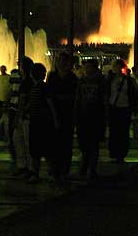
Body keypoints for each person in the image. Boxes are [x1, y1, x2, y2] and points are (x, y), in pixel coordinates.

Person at [46, 52, 78, 182]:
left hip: (67, 115)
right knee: (54, 144)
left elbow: (76, 97)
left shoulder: (72, 78)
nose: (62, 63)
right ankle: (55, 170)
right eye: (60, 61)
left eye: (64, 61)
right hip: (54, 114)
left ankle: (64, 170)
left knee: (66, 144)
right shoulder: (52, 77)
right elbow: (49, 97)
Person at [26, 63, 59, 183]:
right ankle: (42, 173)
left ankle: (47, 172)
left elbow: (50, 104)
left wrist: (55, 120)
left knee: (43, 148)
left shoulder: (43, 87)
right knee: (37, 148)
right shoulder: (36, 87)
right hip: (37, 120)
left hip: (42, 121)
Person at [75, 59, 107, 181]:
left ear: (95, 68)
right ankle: (86, 165)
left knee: (93, 143)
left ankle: (91, 169)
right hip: (83, 116)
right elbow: (78, 98)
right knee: (83, 143)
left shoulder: (101, 81)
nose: (86, 69)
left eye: (89, 67)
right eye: (85, 67)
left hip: (96, 116)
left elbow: (104, 98)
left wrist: (105, 115)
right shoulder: (81, 81)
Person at [107, 59, 138, 163]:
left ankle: (121, 154)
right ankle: (115, 153)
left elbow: (133, 95)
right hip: (113, 108)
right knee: (114, 132)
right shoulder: (109, 80)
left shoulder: (128, 80)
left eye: (119, 66)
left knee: (123, 132)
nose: (117, 68)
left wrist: (134, 109)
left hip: (125, 108)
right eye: (115, 66)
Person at [13, 57, 35, 178]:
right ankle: (24, 166)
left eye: (20, 66)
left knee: (24, 142)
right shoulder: (27, 81)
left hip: (25, 117)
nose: (19, 68)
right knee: (21, 141)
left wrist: (19, 115)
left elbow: (23, 100)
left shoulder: (27, 82)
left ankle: (27, 167)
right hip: (25, 116)